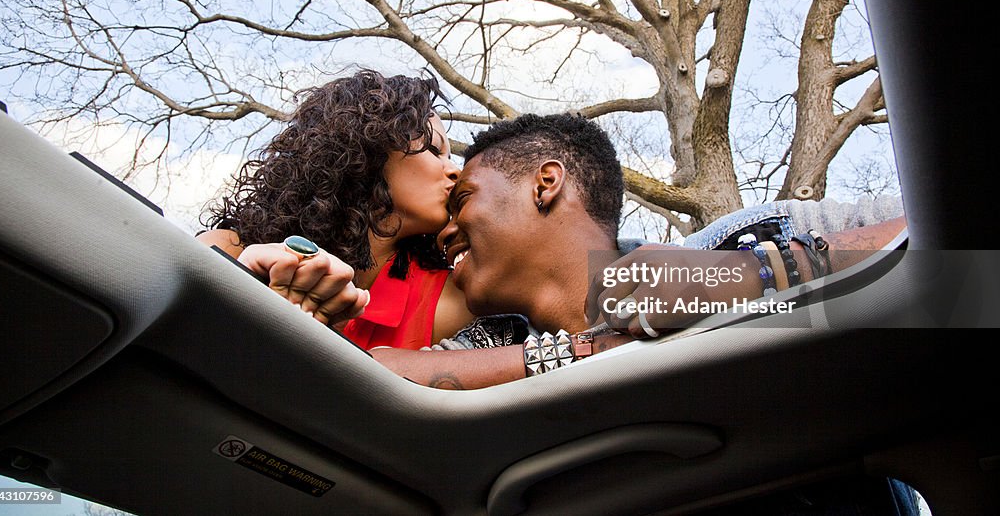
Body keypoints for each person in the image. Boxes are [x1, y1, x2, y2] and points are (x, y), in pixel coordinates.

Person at [372, 113, 906, 388]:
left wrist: (748, 276)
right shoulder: (483, 344)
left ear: (545, 183)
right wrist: (591, 350)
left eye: (464, 198)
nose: (446, 232)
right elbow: (383, 381)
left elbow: (972, 269)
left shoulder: (759, 232)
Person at [197, 70, 475, 349]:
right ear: (368, 144)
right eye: (433, 149)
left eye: (451, 158)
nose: (455, 171)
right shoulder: (229, 250)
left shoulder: (452, 302)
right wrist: (242, 290)